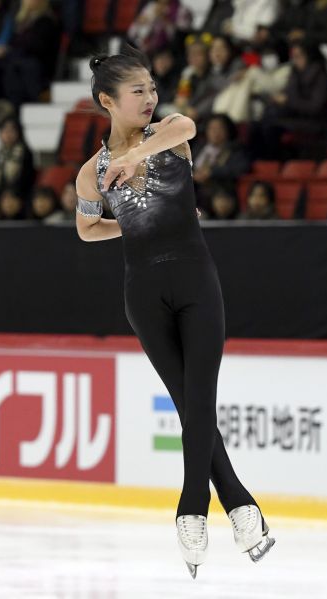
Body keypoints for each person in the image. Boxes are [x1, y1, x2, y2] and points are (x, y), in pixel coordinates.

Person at [74, 46, 274, 578]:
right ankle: (240, 504)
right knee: (188, 404)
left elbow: (183, 124)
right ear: (107, 101)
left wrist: (133, 157)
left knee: (200, 396)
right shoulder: (90, 175)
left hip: (195, 281)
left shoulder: (170, 134)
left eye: (152, 88)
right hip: (143, 294)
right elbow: (86, 229)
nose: (150, 98)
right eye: (137, 91)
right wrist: (133, 224)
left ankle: (192, 508)